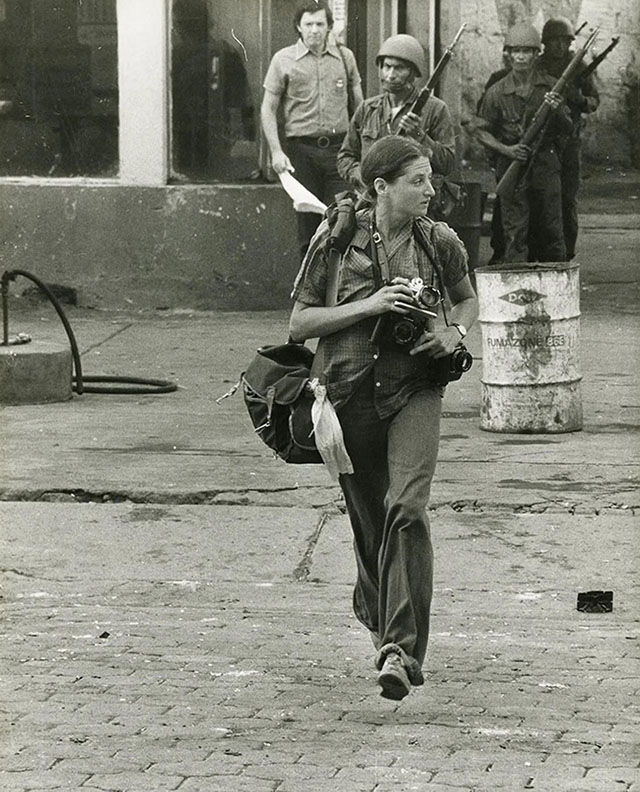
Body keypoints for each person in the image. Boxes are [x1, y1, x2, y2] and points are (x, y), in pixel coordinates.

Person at [289, 135, 478, 700]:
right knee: (370, 522)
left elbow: (467, 298)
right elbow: (298, 324)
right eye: (417, 181)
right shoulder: (337, 238)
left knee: (408, 506)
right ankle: (376, 606)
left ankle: (399, 650)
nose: (429, 190)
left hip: (416, 390)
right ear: (381, 186)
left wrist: (452, 331)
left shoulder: (439, 240)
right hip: (346, 396)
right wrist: (370, 306)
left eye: (430, 179)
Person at [261, 1, 363, 259]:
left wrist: (361, 147)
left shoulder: (345, 57)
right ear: (299, 26)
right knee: (308, 226)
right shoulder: (282, 60)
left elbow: (359, 107)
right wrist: (276, 152)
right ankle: (310, 292)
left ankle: (341, 292)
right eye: (309, 24)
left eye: (320, 24)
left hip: (339, 152)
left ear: (330, 27)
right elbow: (267, 109)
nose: (314, 30)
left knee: (342, 219)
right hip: (301, 153)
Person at [474, 23, 573, 262]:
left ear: (536, 54)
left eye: (526, 51)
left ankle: (556, 281)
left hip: (545, 164)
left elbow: (568, 127)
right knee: (514, 231)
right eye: (515, 51)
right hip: (512, 166)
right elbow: (481, 132)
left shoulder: (551, 86)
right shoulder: (497, 92)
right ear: (507, 54)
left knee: (551, 226)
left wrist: (558, 109)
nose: (520, 57)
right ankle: (516, 282)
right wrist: (506, 149)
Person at [337, 34, 456, 217]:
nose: (390, 75)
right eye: (386, 67)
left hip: (416, 210)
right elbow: (345, 157)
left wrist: (420, 136)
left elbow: (447, 163)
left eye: (399, 68)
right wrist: (364, 177)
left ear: (413, 72)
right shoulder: (368, 109)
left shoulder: (435, 109)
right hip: (372, 205)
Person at [535, 17, 599, 259]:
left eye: (564, 41)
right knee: (542, 198)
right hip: (542, 140)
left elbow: (594, 101)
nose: (559, 46)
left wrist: (578, 98)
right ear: (545, 43)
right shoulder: (538, 65)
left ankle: (567, 252)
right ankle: (543, 250)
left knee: (567, 199)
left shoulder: (579, 66)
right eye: (554, 41)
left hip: (570, 140)